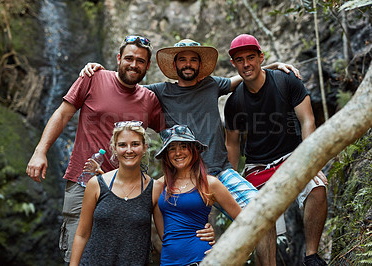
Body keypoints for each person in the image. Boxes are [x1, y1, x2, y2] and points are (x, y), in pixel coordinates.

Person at [79, 39, 300, 265]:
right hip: (178, 178)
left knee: (263, 211)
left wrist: (274, 67)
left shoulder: (212, 85)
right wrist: (100, 72)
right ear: (174, 65)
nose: (188, 64)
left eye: (193, 59)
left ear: (199, 64)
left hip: (219, 173)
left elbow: (245, 76)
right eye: (182, 59)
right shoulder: (160, 91)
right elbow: (127, 84)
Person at [26, 35, 167, 263]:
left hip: (129, 191)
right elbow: (62, 114)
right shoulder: (93, 78)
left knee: (124, 255)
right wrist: (40, 150)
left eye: (140, 61)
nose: (134, 64)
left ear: (148, 66)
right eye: (129, 58)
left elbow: (171, 137)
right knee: (77, 252)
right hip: (84, 183)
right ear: (118, 58)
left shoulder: (149, 99)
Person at [224, 34, 328, 266]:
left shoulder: (286, 81)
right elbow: (231, 143)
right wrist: (229, 182)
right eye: (240, 60)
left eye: (251, 57)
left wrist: (310, 159)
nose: (246, 64)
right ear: (234, 64)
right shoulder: (234, 102)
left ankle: (311, 256)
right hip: (257, 167)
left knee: (317, 187)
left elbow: (307, 120)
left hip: (292, 157)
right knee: (263, 226)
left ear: (261, 57)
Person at [70, 121, 215, 265]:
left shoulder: (155, 188)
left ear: (144, 147)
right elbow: (82, 234)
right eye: (122, 145)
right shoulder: (96, 184)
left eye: (135, 144)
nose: (129, 150)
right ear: (114, 148)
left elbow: (169, 235)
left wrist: (204, 237)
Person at [154, 125, 241, 266]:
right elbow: (164, 234)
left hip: (200, 259)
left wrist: (225, 247)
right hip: (168, 261)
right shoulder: (159, 185)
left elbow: (245, 219)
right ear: (166, 155)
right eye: (172, 148)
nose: (178, 153)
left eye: (183, 146)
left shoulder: (210, 183)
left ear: (193, 150)